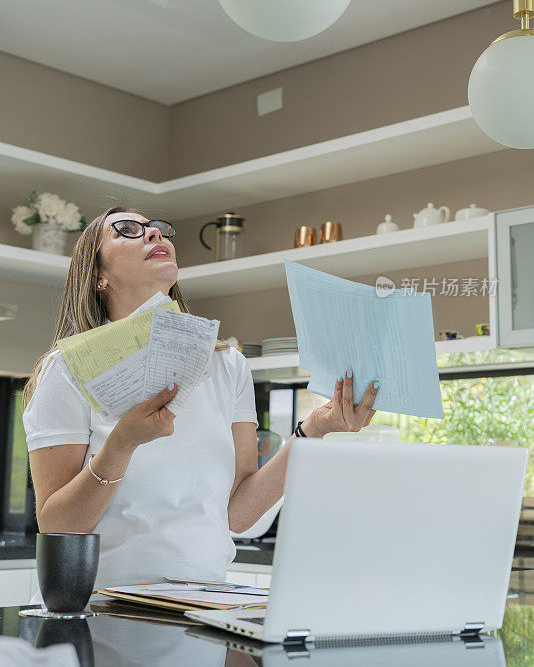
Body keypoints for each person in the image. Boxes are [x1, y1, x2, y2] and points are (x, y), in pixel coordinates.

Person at [22, 207, 379, 590]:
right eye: (127, 230)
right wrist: (121, 444)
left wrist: (313, 431)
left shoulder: (227, 365)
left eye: (158, 229)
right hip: (107, 611)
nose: (155, 235)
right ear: (98, 277)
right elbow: (57, 526)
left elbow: (238, 515)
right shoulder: (65, 372)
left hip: (203, 607)